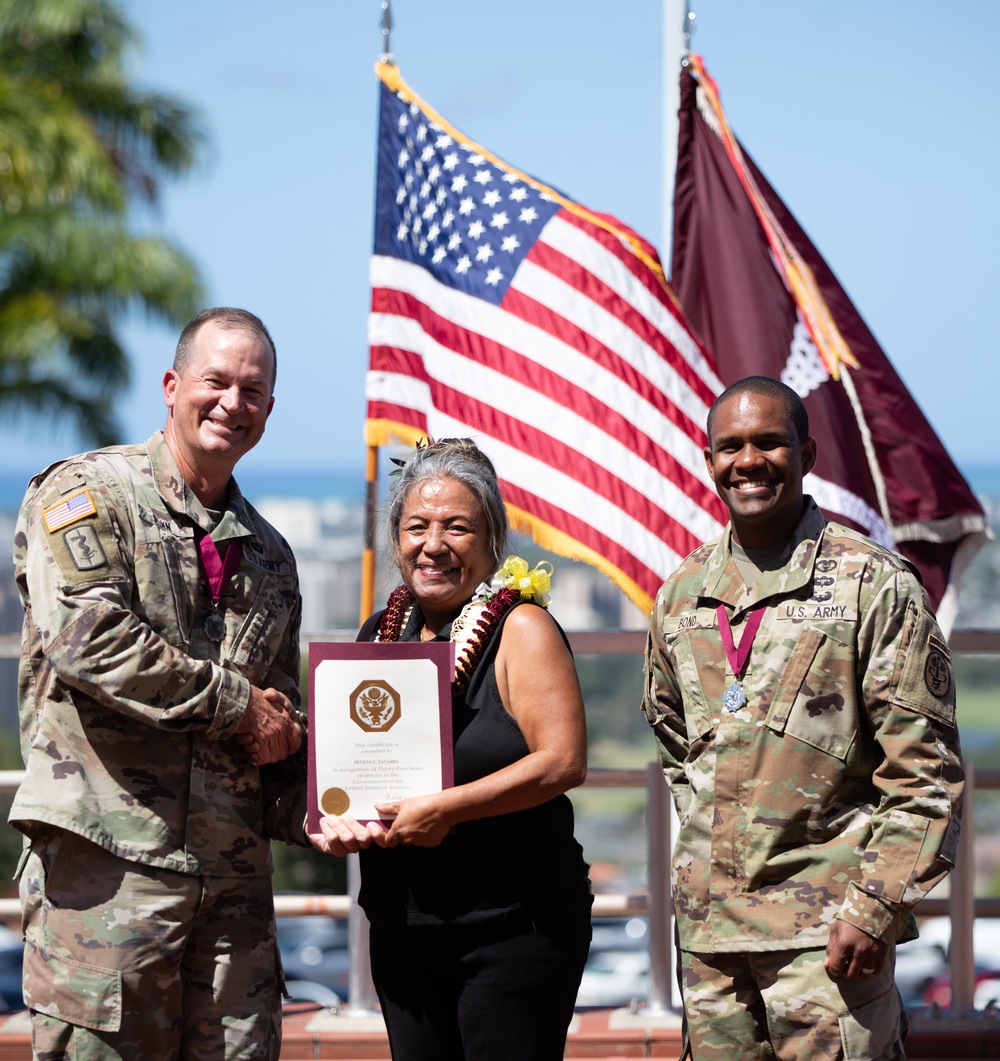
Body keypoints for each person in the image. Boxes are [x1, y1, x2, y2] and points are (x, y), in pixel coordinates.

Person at [10, 307, 308, 1060]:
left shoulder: (271, 557)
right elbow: (86, 637)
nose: (232, 403)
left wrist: (335, 794)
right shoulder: (88, 493)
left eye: (253, 390)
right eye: (216, 381)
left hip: (231, 891)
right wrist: (236, 706)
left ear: (269, 412)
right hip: (110, 877)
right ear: (173, 386)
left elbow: (280, 712)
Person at [642, 376, 964, 1061]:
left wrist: (874, 905)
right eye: (730, 446)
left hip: (829, 943)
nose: (748, 460)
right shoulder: (682, 596)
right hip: (711, 950)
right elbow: (681, 751)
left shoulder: (872, 585)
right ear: (709, 461)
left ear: (807, 453)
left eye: (769, 442)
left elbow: (925, 775)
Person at [310, 438, 592, 1061]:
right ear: (395, 539)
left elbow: (563, 760)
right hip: (405, 927)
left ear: (492, 537)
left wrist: (449, 809)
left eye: (457, 527)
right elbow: (352, 768)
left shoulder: (523, 628)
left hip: (513, 927)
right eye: (417, 527)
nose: (433, 544)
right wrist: (339, 821)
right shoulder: (380, 634)